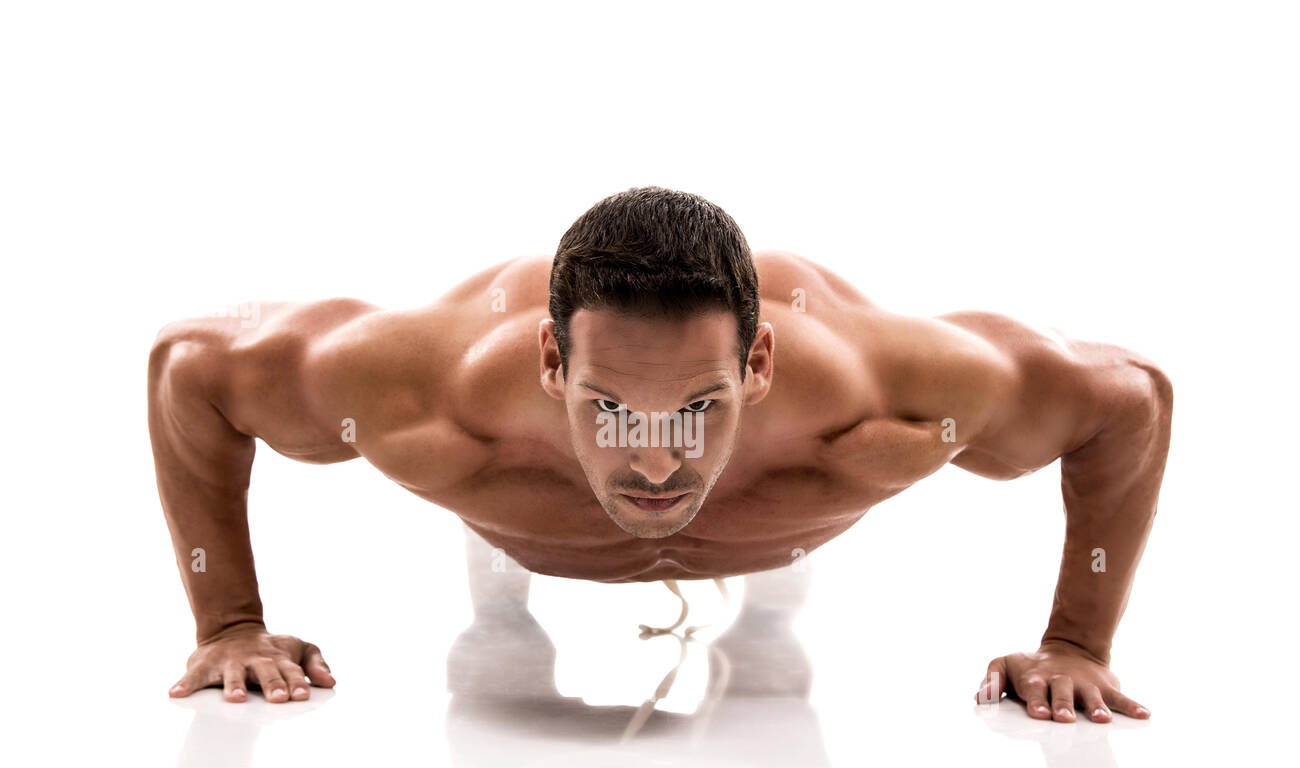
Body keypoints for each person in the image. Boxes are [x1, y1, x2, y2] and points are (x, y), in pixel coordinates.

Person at [149, 186, 1171, 722]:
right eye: (607, 404)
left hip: (778, 514)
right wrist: (229, 621)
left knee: (775, 703)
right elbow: (190, 367)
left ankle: (770, 593)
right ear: (550, 360)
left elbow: (1126, 399)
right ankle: (498, 582)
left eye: (698, 405)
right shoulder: (431, 401)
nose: (652, 461)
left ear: (759, 362)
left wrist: (1076, 642)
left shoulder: (883, 405)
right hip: (516, 505)